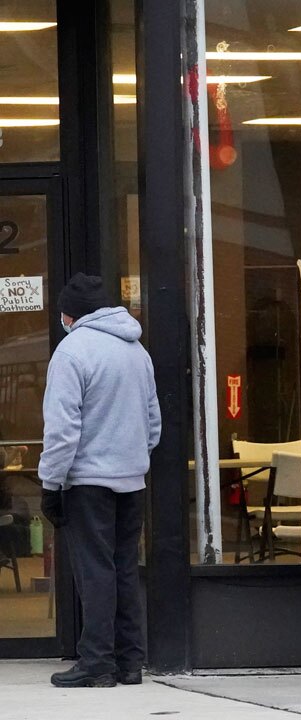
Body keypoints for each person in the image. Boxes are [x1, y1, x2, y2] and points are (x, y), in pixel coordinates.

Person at [39, 273, 161, 688]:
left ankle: (97, 662)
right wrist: (133, 459)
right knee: (124, 568)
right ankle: (131, 662)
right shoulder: (136, 351)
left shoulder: (72, 352)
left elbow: (62, 430)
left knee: (94, 572)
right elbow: (153, 422)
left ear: (69, 313)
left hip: (86, 481)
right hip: (131, 480)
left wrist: (50, 483)